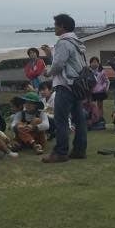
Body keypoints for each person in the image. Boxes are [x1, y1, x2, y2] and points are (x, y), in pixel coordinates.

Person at [40, 13, 88, 163]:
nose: (54, 28)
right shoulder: (76, 42)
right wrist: (50, 55)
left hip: (65, 85)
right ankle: (79, 150)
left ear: (62, 26)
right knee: (79, 119)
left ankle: (61, 152)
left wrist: (48, 72)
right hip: (77, 86)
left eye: (56, 25)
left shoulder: (63, 42)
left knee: (60, 119)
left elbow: (59, 65)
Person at [89, 57, 110, 126]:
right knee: (91, 106)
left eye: (96, 62)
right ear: (90, 63)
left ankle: (100, 119)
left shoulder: (102, 71)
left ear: (98, 63)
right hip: (91, 91)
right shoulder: (88, 71)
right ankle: (93, 119)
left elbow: (106, 81)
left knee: (100, 106)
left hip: (100, 91)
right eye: (93, 62)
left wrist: (104, 88)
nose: (94, 64)